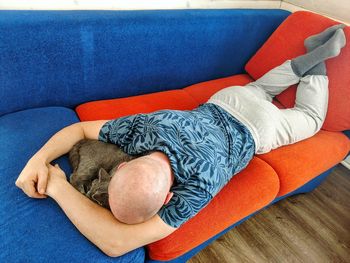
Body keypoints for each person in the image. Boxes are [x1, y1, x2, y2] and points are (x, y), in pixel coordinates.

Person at [15, 24, 346, 257]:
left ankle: (317, 65)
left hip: (254, 123)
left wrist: (56, 185)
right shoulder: (147, 129)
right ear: (126, 162)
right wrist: (37, 160)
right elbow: (79, 130)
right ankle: (302, 63)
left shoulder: (200, 185)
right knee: (259, 89)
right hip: (227, 100)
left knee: (312, 120)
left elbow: (116, 243)